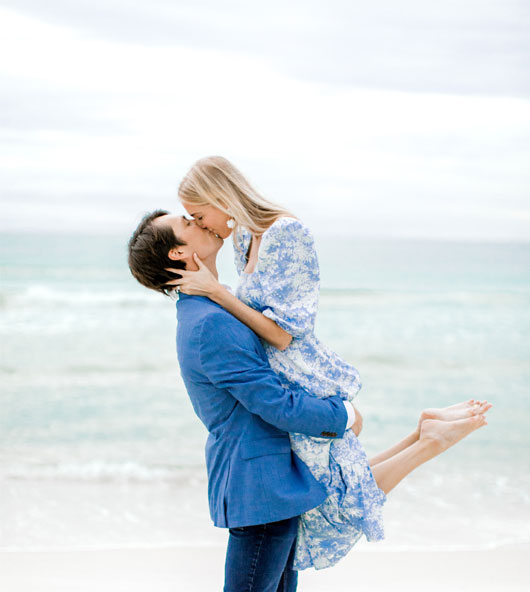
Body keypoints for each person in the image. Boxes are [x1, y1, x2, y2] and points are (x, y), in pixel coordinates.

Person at [128, 209, 489, 592]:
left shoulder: (212, 306)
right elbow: (270, 399)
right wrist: (341, 415)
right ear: (179, 254)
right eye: (189, 223)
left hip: (274, 469)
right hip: (258, 480)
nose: (201, 222)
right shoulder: (207, 323)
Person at [169, 155, 491, 570]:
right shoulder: (245, 238)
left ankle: (428, 441)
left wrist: (217, 292)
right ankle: (424, 434)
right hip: (280, 380)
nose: (202, 225)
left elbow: (283, 333)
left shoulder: (287, 232)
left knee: (333, 498)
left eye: (198, 214)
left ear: (219, 195)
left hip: (301, 378)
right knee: (331, 488)